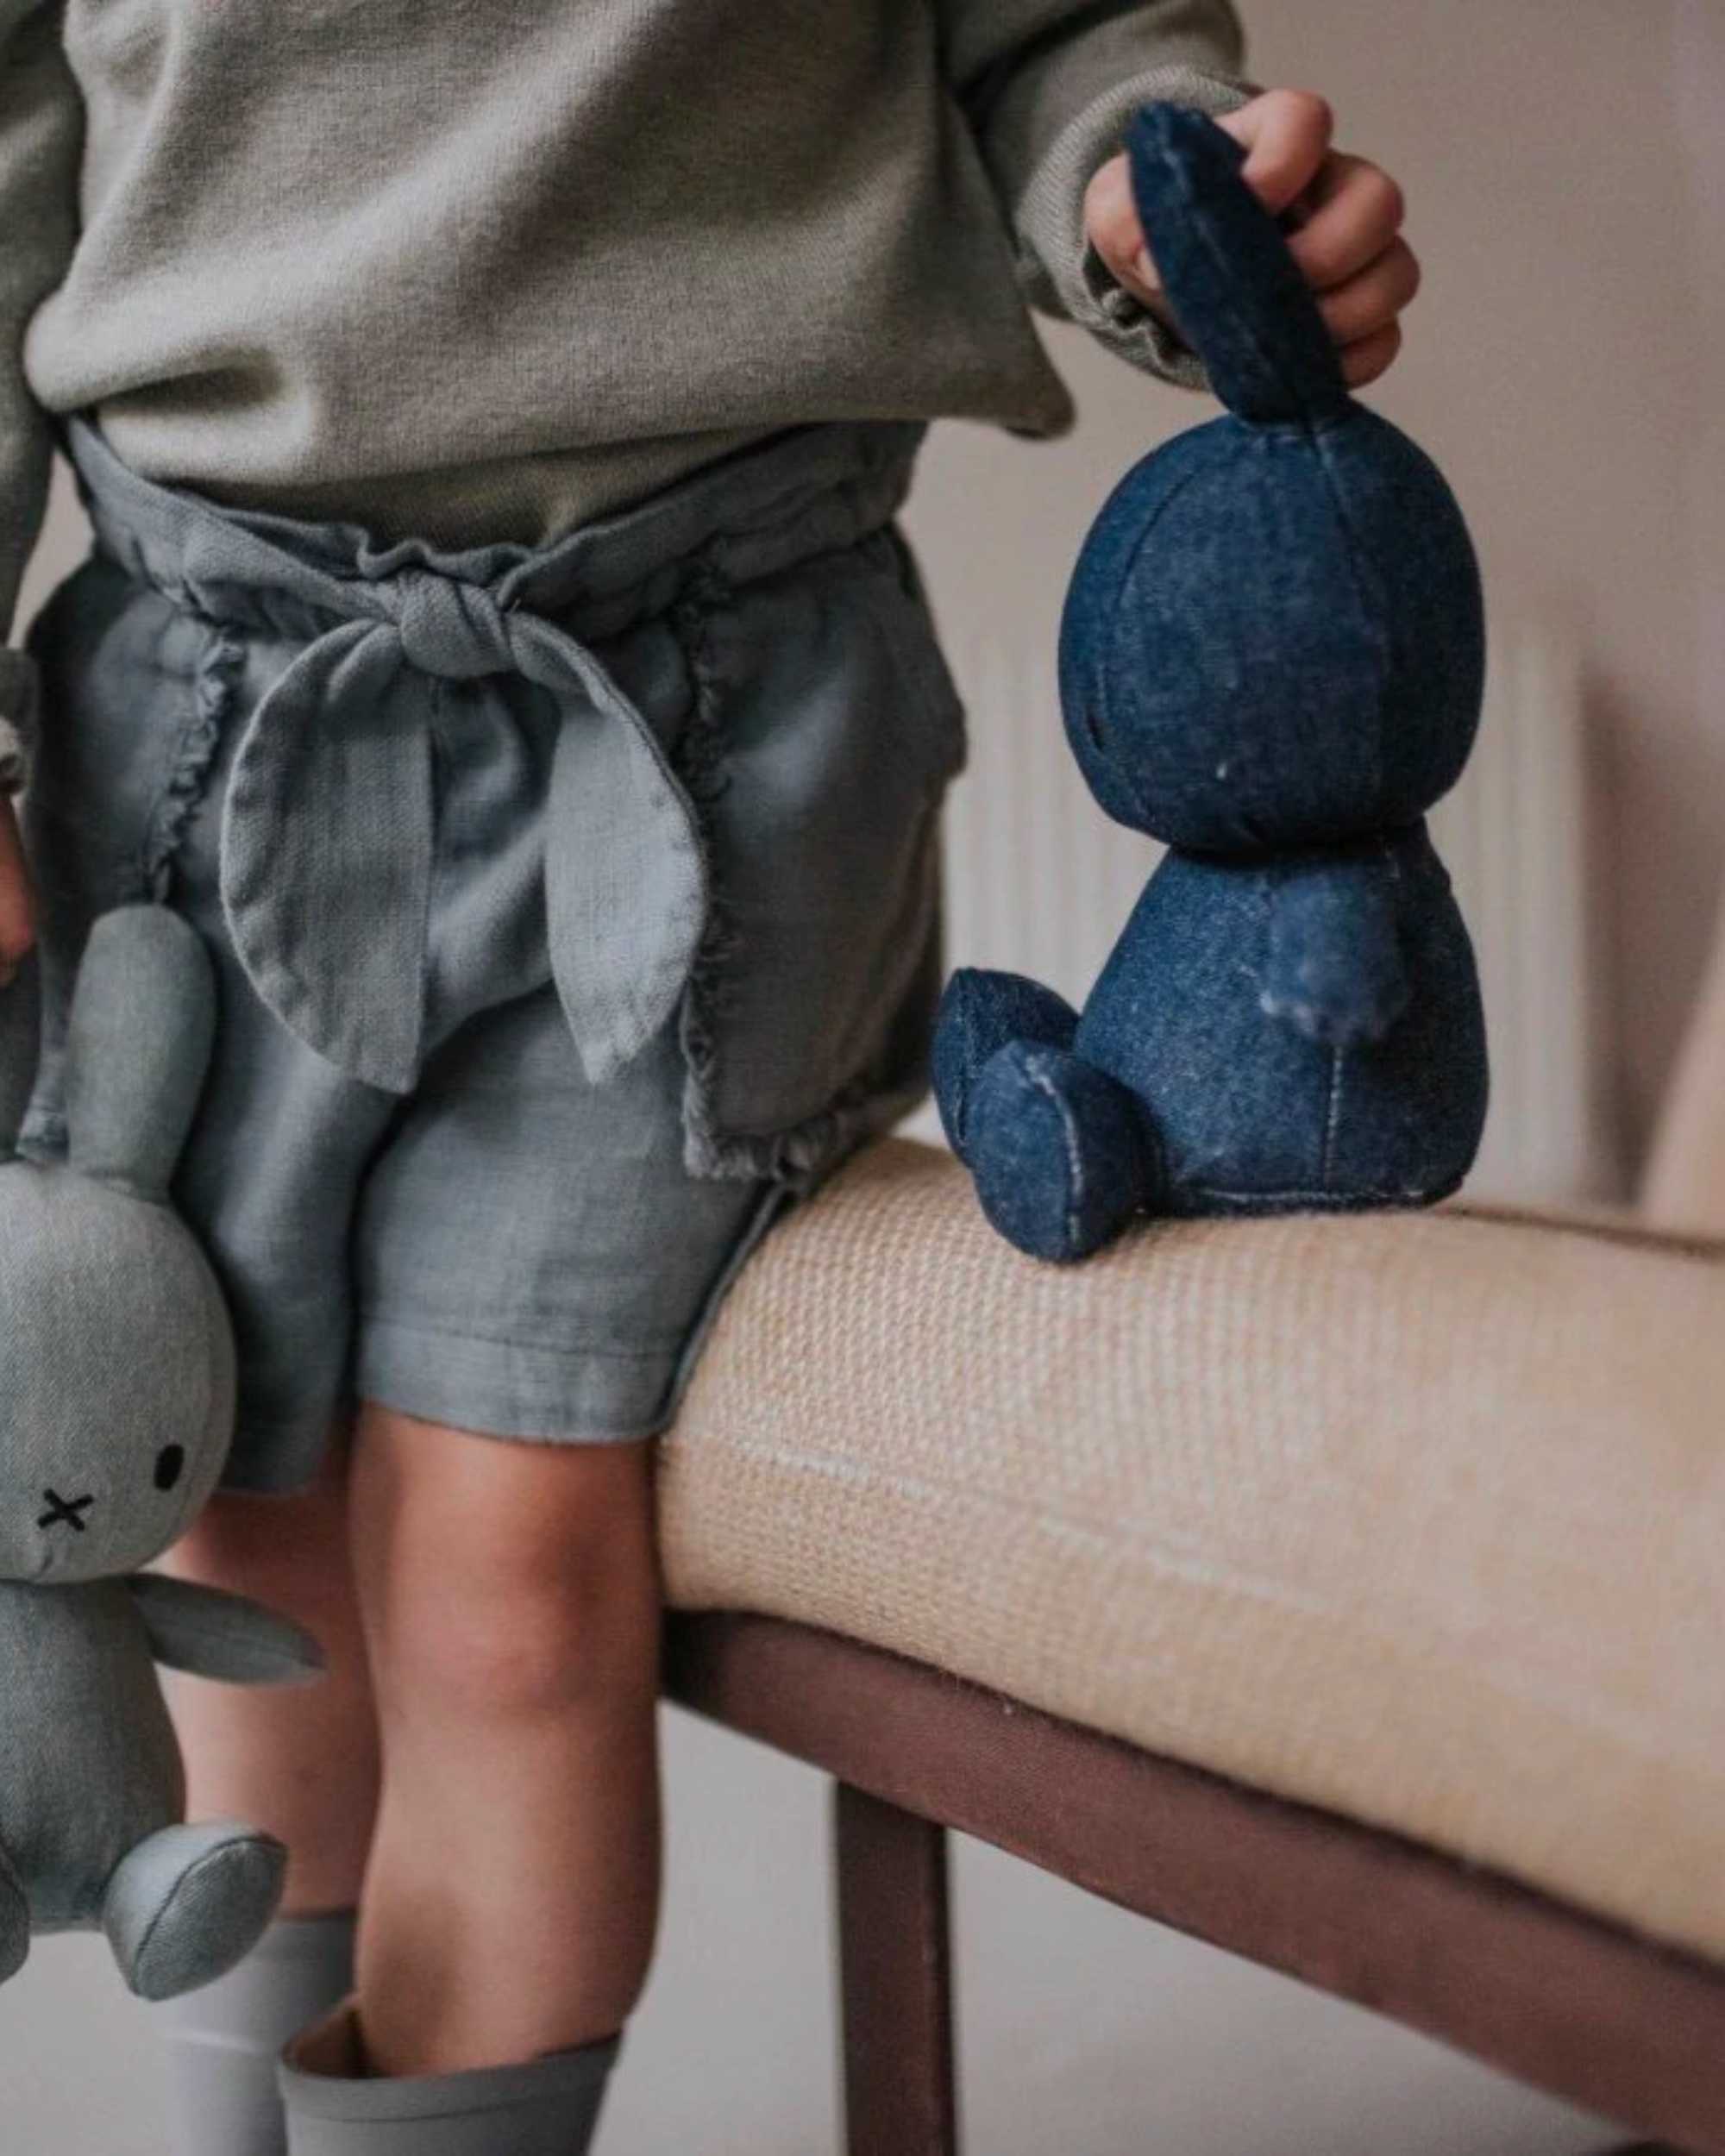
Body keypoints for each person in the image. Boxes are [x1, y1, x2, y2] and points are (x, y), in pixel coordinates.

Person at [0, 5, 1418, 2151]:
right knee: (243, 1508)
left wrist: (1161, 193)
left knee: (509, 1581)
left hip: (712, 715)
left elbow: (1061, 41)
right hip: (197, 709)